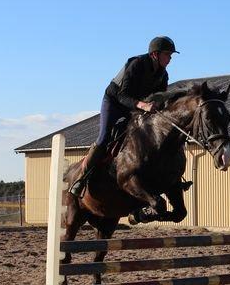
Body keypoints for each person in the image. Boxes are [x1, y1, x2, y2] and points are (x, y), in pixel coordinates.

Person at [69, 36, 178, 197]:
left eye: (171, 56)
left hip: (135, 108)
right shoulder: (137, 65)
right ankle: (82, 179)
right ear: (155, 54)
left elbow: (159, 97)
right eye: (167, 54)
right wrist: (143, 105)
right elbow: (122, 95)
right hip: (114, 102)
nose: (170, 59)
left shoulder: (163, 74)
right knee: (104, 138)